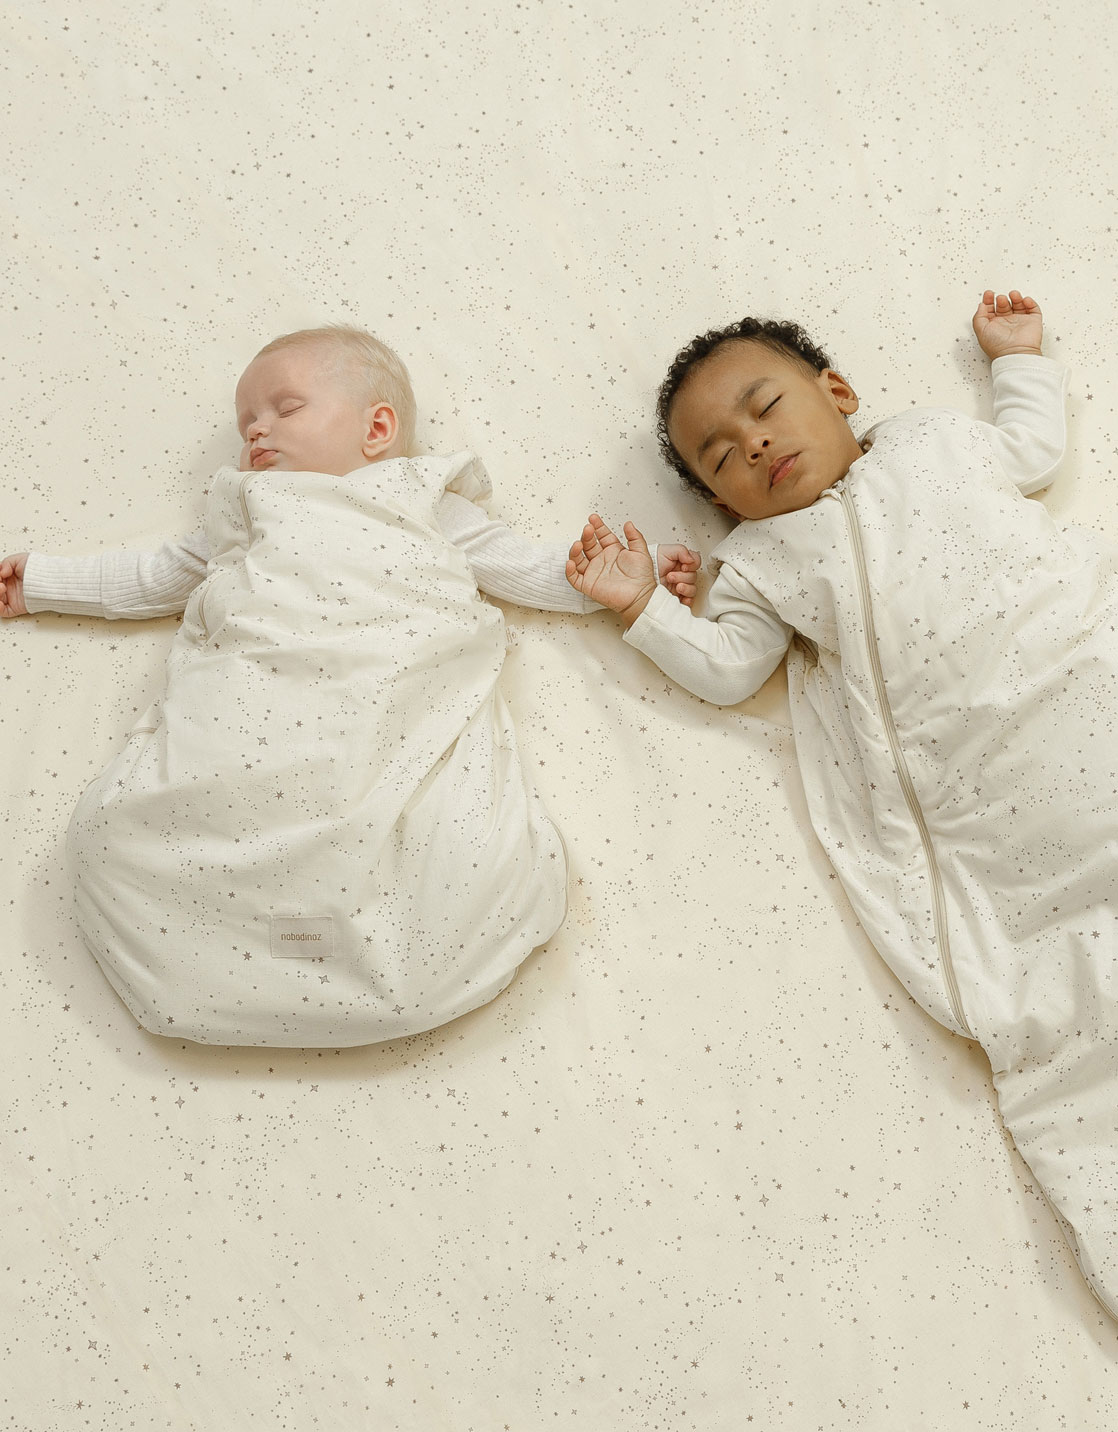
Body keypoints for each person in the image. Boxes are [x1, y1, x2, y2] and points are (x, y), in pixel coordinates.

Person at [565, 291, 1118, 1321]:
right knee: (1070, 997)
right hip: (985, 797)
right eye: (719, 458)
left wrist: (1017, 358)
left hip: (1076, 684)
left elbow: (1033, 448)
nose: (752, 445)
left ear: (838, 391)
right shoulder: (759, 563)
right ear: (720, 503)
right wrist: (641, 605)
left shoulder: (937, 444)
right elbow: (729, 668)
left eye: (765, 406)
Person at [2, 323, 700, 1050]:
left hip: (387, 709)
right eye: (246, 423)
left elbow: (528, 568)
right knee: (113, 836)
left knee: (450, 844)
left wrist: (631, 577)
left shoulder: (422, 498)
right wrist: (44, 582)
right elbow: (156, 576)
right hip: (249, 714)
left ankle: (383, 947)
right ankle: (223, 953)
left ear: (378, 429)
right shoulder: (245, 508)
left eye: (284, 408)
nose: (256, 431)